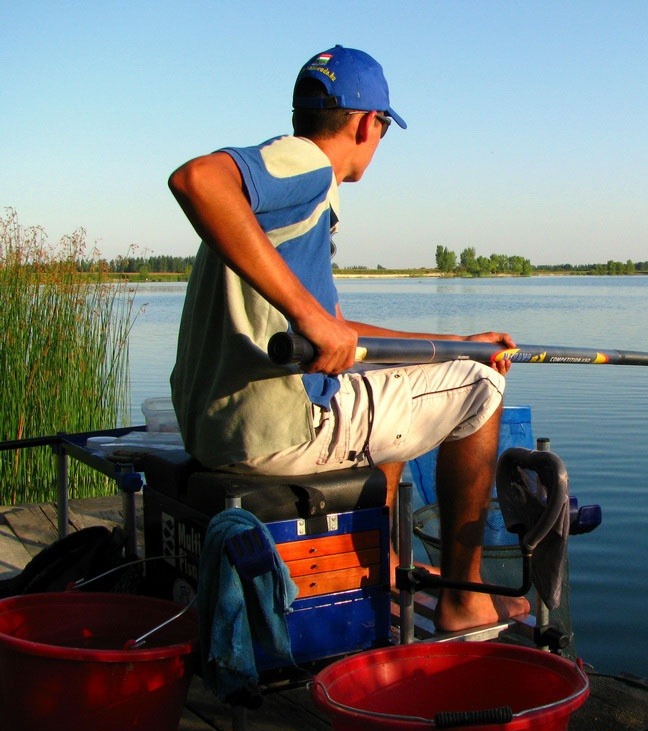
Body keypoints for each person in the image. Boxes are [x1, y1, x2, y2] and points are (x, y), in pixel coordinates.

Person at [167, 44, 528, 632]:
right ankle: (467, 600)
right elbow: (196, 179)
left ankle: (379, 560)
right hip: (273, 435)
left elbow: (341, 330)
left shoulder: (283, 210)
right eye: (384, 128)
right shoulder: (302, 165)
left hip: (218, 429)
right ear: (366, 124)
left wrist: (458, 342)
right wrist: (307, 313)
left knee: (405, 379)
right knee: (482, 387)